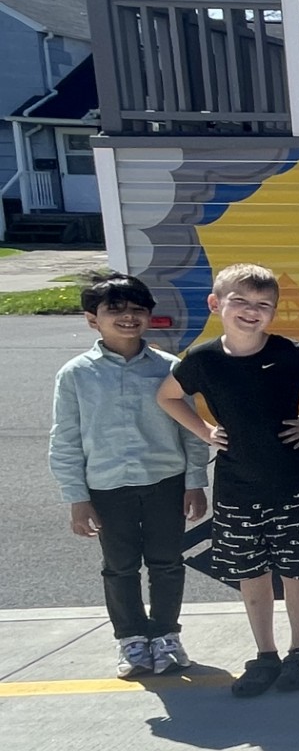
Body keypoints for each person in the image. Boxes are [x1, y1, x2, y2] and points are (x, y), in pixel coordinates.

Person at [157, 263, 299, 696]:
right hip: (237, 487)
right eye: (240, 301)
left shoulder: (287, 351)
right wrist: (205, 431)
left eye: (263, 305)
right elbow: (167, 396)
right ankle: (265, 655)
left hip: (292, 483)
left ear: (274, 312)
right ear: (216, 304)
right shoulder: (202, 359)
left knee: (298, 572)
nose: (251, 311)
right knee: (251, 573)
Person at [50, 273, 210, 679]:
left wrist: (195, 482)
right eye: (115, 310)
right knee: (119, 566)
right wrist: (77, 497)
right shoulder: (76, 374)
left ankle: (166, 637)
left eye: (137, 310)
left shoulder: (170, 368)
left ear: (150, 317)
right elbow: (65, 438)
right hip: (106, 487)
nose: (128, 317)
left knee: (167, 563)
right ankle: (132, 641)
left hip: (165, 483)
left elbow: (191, 430)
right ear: (92, 319)